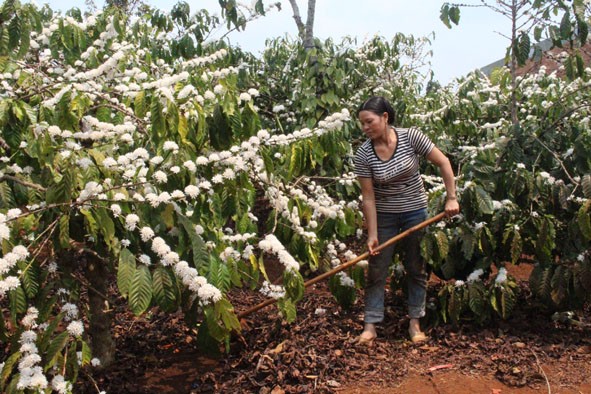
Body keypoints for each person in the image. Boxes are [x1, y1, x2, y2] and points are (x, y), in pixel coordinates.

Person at [353, 96, 460, 344]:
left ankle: (415, 322)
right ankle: (370, 324)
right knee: (377, 269)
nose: (365, 128)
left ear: (385, 117)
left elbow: (443, 162)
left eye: (369, 122)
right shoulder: (364, 155)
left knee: (416, 267)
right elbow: (368, 198)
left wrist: (451, 198)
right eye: (362, 124)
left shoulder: (411, 137)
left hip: (415, 213)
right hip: (385, 216)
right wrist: (372, 233)